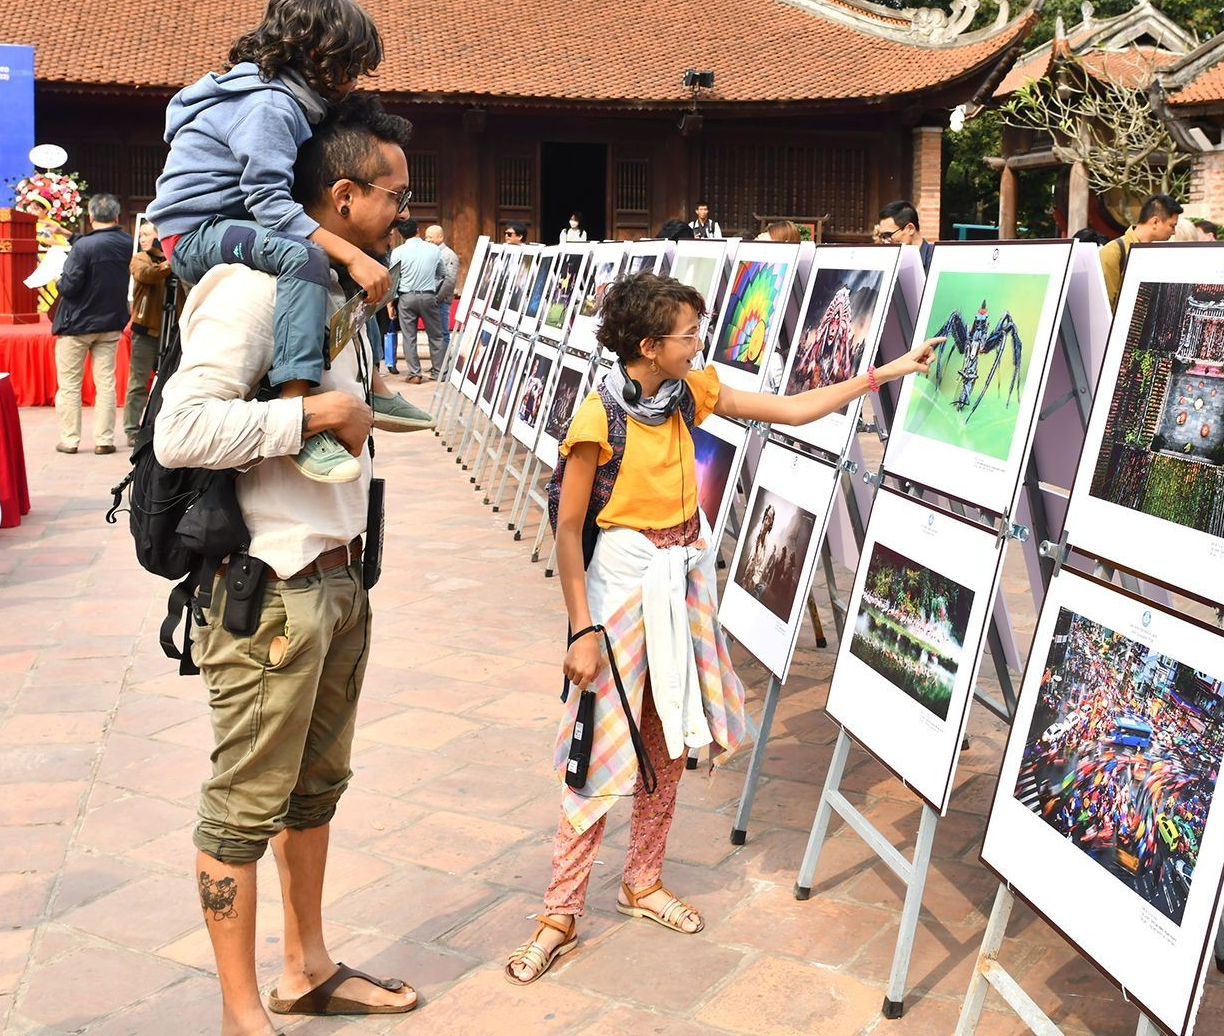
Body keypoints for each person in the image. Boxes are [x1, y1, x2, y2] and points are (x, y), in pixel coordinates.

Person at [506, 272, 942, 986]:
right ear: (649, 346)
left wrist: (882, 375)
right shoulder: (596, 420)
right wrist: (582, 630)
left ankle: (642, 880)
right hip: (620, 595)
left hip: (681, 586)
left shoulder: (692, 394)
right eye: (688, 335)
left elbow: (794, 410)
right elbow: (568, 527)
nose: (699, 344)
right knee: (598, 755)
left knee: (668, 739)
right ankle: (559, 911)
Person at [156, 94, 419, 1030]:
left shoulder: (333, 288)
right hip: (267, 593)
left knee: (314, 791)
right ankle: (240, 1013)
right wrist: (316, 415)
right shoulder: (252, 285)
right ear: (342, 195)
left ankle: (306, 967)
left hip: (337, 581)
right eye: (394, 194)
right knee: (242, 808)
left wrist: (366, 407)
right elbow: (181, 429)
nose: (404, 212)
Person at [145, 0, 413, 485]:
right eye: (350, 65)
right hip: (196, 231)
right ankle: (297, 402)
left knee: (336, 256)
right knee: (307, 258)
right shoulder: (270, 106)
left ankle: (372, 381)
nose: (355, 80)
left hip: (235, 222)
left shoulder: (298, 102)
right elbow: (269, 203)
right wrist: (351, 257)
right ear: (315, 52)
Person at [51, 193, 132, 455]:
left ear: (91, 216)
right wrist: (69, 234)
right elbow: (95, 247)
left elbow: (69, 286)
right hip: (110, 323)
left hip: (77, 325)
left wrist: (57, 278)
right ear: (117, 216)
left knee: (70, 385)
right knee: (105, 383)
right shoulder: (126, 242)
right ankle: (104, 439)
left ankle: (70, 439)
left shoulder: (84, 247)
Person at [123, 221, 172, 445]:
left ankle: (163, 425)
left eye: (147, 235)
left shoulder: (174, 259)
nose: (142, 239)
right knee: (138, 382)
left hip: (171, 331)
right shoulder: (140, 259)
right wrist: (169, 265)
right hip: (145, 332)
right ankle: (132, 429)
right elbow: (146, 275)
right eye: (140, 235)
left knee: (170, 382)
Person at [1099, 193, 1182, 311]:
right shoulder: (1114, 252)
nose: (1174, 232)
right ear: (1155, 222)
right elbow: (1104, 306)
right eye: (1172, 226)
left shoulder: (1159, 255)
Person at [393, 218, 446, 383]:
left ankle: (415, 373)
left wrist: (391, 303)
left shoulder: (398, 252)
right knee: (436, 336)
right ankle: (439, 372)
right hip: (428, 295)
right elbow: (442, 273)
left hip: (406, 297)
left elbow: (394, 279)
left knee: (409, 336)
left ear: (401, 235)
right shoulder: (434, 249)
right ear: (418, 230)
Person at [874, 199, 932, 269]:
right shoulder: (889, 262)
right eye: (883, 237)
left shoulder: (937, 259)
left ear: (910, 229)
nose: (886, 242)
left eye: (889, 235)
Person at [429, 224, 458, 351]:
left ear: (440, 237)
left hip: (441, 300)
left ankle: (444, 364)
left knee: (443, 332)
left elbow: (450, 281)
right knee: (434, 333)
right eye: (426, 237)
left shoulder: (448, 255)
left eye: (430, 237)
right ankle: (437, 363)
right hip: (431, 299)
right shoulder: (430, 253)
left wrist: (438, 298)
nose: (427, 240)